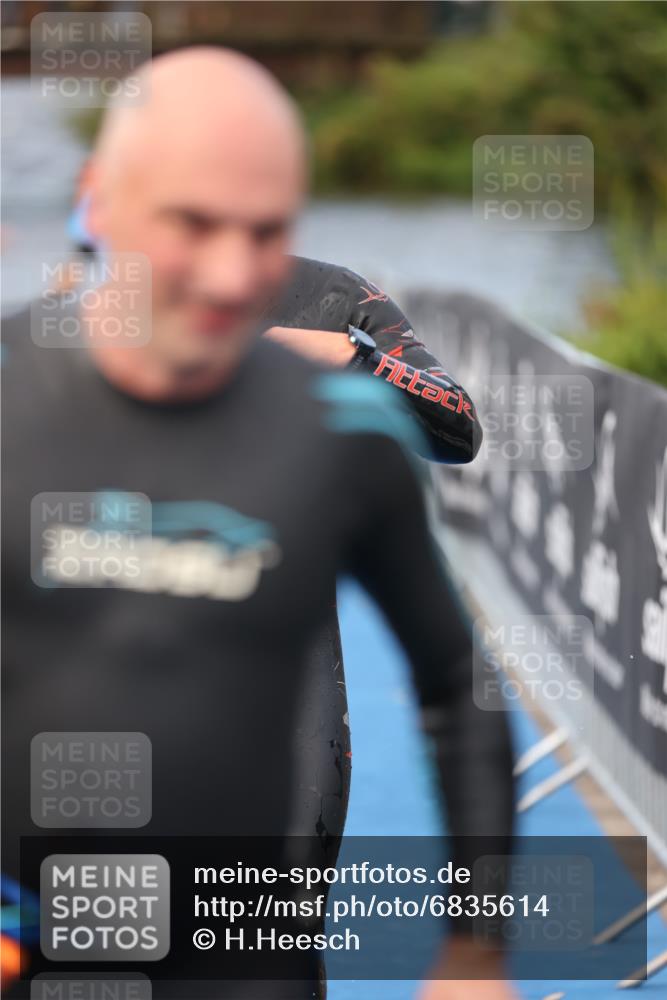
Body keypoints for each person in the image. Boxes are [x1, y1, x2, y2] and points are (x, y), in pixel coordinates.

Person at [2, 48, 515, 999]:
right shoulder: (16, 380)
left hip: (273, 774)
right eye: (192, 222)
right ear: (99, 201)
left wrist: (476, 950)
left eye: (263, 228)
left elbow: (457, 438)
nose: (230, 270)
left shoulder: (328, 342)